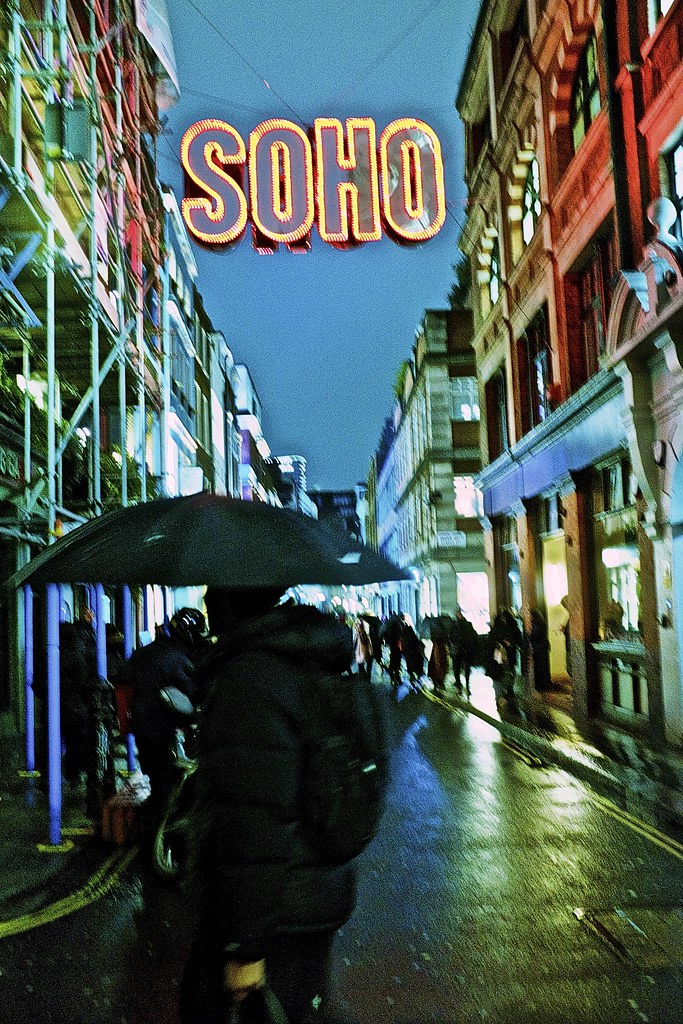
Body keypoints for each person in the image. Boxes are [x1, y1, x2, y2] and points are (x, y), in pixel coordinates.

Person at [180, 587, 364, 1024]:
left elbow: (256, 825)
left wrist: (247, 947)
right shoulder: (301, 658)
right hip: (313, 890)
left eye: (215, 589)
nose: (207, 598)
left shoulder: (251, 679)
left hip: (278, 909)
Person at [122, 607, 205, 833]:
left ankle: (152, 830)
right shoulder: (178, 659)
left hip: (141, 728)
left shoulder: (143, 653)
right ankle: (165, 831)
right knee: (171, 784)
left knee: (156, 781)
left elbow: (124, 678)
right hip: (166, 731)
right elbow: (195, 694)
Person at [450, 608, 478, 696]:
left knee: (457, 668)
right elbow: (474, 636)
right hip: (466, 649)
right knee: (466, 668)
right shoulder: (468, 624)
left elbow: (450, 637)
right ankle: (465, 686)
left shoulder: (454, 625)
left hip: (459, 649)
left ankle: (459, 686)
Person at [529, 608, 551, 692]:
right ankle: (545, 684)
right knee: (544, 666)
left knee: (540, 667)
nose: (530, 617)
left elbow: (536, 635)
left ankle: (542, 685)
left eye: (531, 615)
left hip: (539, 648)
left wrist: (530, 636)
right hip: (543, 647)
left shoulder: (537, 623)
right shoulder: (541, 622)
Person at [401, 614, 424, 689]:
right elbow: (415, 640)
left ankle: (412, 676)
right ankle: (417, 677)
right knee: (417, 662)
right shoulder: (409, 629)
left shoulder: (403, 629)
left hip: (407, 650)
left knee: (410, 663)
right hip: (412, 649)